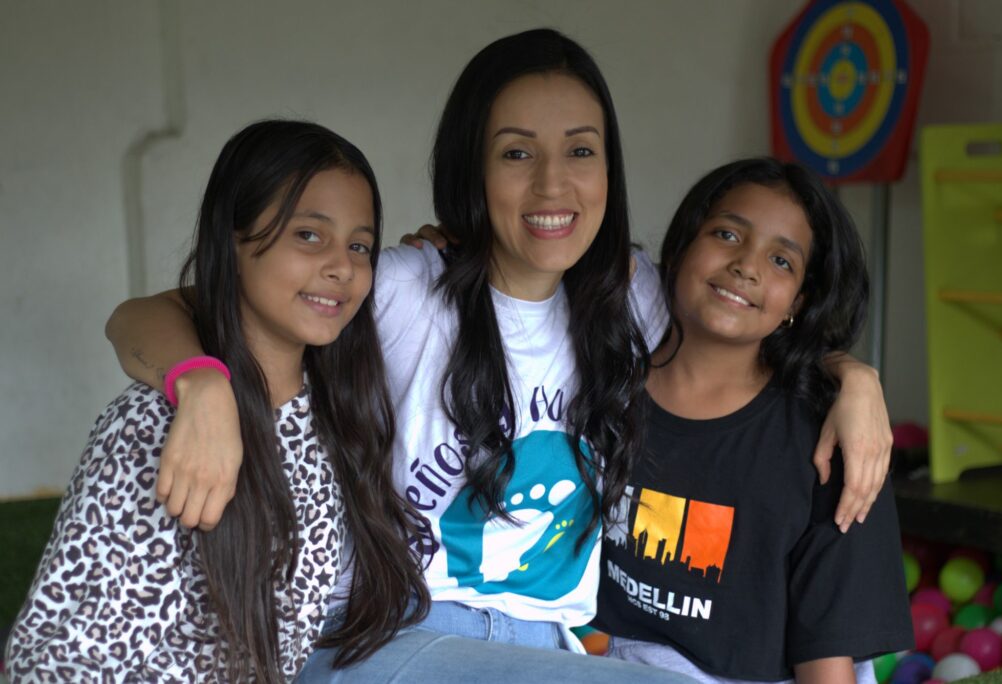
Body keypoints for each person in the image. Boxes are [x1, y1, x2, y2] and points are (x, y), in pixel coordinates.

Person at [103, 30, 891, 677]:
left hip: (547, 647)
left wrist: (853, 377)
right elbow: (143, 317)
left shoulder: (632, 300)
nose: (554, 184)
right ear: (472, 171)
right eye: (517, 153)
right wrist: (200, 383)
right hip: (398, 634)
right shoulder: (410, 289)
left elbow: (742, 323)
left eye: (581, 152)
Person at [4, 120, 428, 682]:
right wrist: (202, 387)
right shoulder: (160, 424)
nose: (342, 266)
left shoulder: (330, 418)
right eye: (308, 235)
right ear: (233, 241)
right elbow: (63, 664)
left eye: (360, 246)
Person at [592, 159, 913, 683]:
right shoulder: (602, 382)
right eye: (726, 233)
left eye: (782, 261)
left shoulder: (827, 439)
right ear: (679, 247)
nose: (747, 265)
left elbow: (827, 654)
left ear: (797, 303)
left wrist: (855, 378)